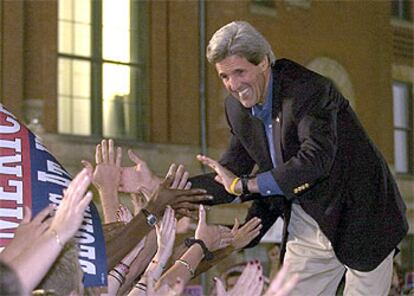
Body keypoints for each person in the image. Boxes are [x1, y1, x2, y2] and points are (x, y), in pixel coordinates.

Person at [192, 20, 409, 295]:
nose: (233, 85)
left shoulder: (308, 90)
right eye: (224, 76)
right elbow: (231, 171)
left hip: (363, 214)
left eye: (239, 72)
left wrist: (245, 186)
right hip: (309, 219)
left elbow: (315, 159)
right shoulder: (237, 109)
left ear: (263, 63)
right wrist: (169, 193)